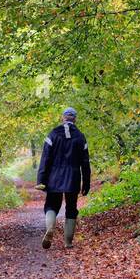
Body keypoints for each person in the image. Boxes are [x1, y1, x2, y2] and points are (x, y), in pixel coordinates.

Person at [36, 107, 90, 249]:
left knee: (51, 205)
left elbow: (45, 158)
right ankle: (68, 242)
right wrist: (86, 183)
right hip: (73, 178)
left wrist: (41, 179)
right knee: (71, 208)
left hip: (54, 178)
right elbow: (85, 162)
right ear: (75, 119)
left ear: (63, 118)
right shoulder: (80, 136)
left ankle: (50, 228)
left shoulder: (53, 134)